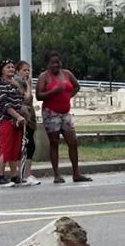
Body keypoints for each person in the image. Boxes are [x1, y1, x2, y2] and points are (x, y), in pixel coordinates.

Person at [36, 51, 91, 184]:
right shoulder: (44, 77)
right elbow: (39, 95)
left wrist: (68, 96)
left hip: (65, 112)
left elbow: (76, 86)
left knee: (73, 141)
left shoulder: (67, 74)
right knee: (54, 142)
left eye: (57, 62)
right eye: (52, 63)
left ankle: (76, 172)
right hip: (51, 112)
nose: (55, 65)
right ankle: (56, 174)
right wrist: (53, 91)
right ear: (47, 64)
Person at [0, 59, 27, 187]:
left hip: (16, 121)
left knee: (15, 149)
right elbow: (5, 105)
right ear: (2, 70)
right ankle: (1, 176)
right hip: (5, 120)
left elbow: (23, 98)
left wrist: (20, 84)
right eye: (8, 67)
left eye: (13, 67)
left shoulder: (14, 85)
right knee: (5, 149)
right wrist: (18, 116)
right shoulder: (0, 86)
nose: (11, 69)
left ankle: (14, 175)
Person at [13, 61, 41, 186]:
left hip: (29, 117)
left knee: (30, 146)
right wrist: (29, 85)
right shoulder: (18, 83)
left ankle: (26, 173)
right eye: (24, 70)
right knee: (26, 146)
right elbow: (27, 98)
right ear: (18, 71)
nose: (27, 73)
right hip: (23, 117)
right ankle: (25, 174)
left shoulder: (23, 82)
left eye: (28, 70)